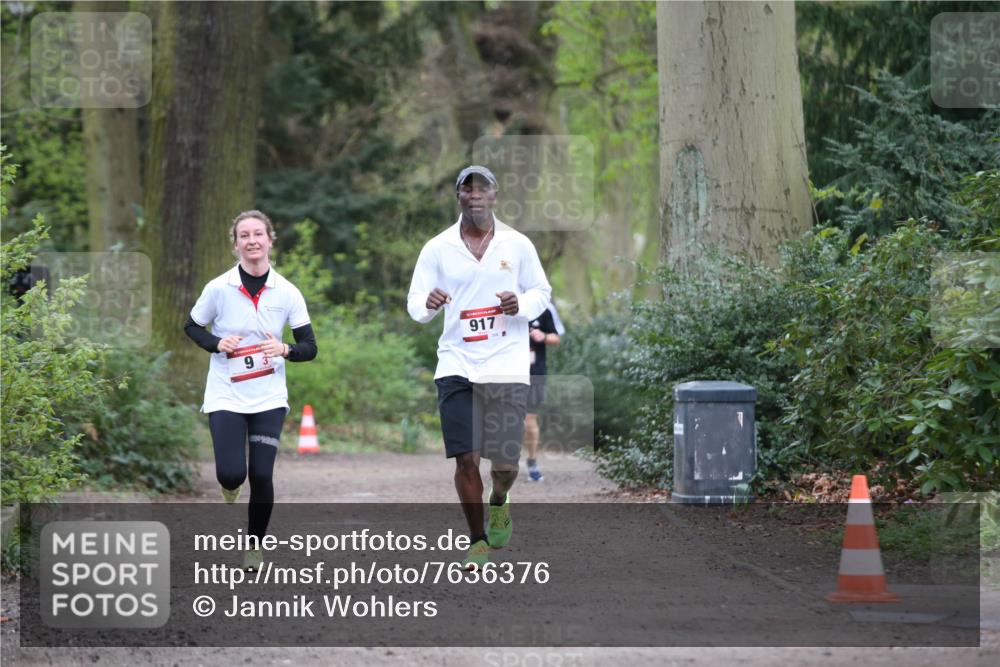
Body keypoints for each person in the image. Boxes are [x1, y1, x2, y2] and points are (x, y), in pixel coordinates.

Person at [407, 165, 552, 570]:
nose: (475, 195)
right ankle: (477, 540)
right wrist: (428, 305)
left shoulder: (517, 244)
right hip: (457, 363)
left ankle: (499, 500)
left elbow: (541, 291)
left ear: (494, 195)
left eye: (482, 188)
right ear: (458, 197)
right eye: (466, 189)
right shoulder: (437, 248)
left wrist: (520, 305)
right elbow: (415, 302)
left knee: (504, 465)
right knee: (466, 458)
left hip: (506, 364)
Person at [184, 210, 317, 571]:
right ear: (236, 245)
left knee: (261, 474)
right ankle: (230, 486)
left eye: (258, 234)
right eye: (244, 235)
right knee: (231, 474)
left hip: (269, 396)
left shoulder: (287, 292)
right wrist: (216, 343)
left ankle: (254, 546)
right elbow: (192, 326)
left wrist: (285, 349)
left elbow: (310, 347)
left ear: (270, 240)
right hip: (226, 392)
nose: (252, 240)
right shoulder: (218, 288)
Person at [525, 302, 564, 481]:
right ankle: (505, 462)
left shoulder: (543, 308)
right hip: (507, 372)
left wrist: (543, 336)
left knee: (529, 420)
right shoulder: (503, 306)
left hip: (535, 372)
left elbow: (556, 338)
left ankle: (532, 462)